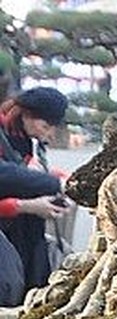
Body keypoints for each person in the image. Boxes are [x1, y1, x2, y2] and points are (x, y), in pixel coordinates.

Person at [0, 87, 71, 305]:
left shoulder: (20, 137)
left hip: (21, 233)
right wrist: (25, 205)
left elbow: (19, 178)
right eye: (45, 126)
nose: (47, 134)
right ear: (26, 114)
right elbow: (6, 175)